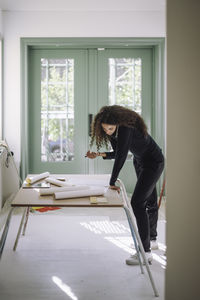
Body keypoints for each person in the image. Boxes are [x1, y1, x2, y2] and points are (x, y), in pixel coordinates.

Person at [86, 105, 164, 265]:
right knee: (148, 200)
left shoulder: (125, 128)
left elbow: (121, 156)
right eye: (105, 129)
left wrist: (112, 180)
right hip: (139, 161)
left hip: (154, 162)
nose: (108, 131)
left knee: (137, 202)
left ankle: (145, 252)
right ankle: (151, 240)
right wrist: (99, 154)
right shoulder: (112, 131)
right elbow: (117, 152)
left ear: (117, 123)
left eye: (110, 128)